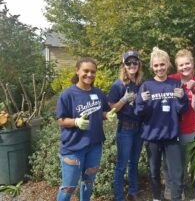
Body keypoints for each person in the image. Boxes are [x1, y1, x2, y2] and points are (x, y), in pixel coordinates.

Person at [56, 57, 116, 201]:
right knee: (68, 187)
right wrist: (76, 121)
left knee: (88, 183)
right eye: (86, 71)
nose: (90, 74)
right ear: (77, 71)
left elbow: (100, 112)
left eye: (93, 72)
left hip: (94, 147)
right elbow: (61, 119)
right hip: (73, 148)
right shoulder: (68, 94)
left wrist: (107, 115)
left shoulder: (98, 93)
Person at [135, 47, 188, 201]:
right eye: (156, 65)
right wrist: (141, 102)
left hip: (171, 136)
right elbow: (139, 113)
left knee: (176, 172)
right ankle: (156, 198)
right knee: (154, 171)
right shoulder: (146, 85)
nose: (159, 68)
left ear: (168, 65)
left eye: (162, 64)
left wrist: (181, 98)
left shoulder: (175, 83)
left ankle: (176, 198)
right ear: (152, 67)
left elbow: (181, 110)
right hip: (152, 137)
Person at [163, 49, 195, 200]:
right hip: (169, 128)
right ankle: (169, 187)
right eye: (181, 65)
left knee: (182, 161)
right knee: (168, 160)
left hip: (188, 129)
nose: (185, 67)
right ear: (177, 67)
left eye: (187, 63)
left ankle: (178, 188)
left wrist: (194, 91)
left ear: (192, 64)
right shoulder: (171, 79)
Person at [107, 50, 144, 201]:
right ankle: (119, 197)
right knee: (122, 164)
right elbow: (111, 109)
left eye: (135, 62)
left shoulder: (141, 83)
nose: (132, 65)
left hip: (139, 128)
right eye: (129, 63)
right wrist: (123, 100)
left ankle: (133, 192)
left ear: (139, 65)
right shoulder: (118, 85)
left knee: (134, 162)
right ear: (124, 65)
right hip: (126, 129)